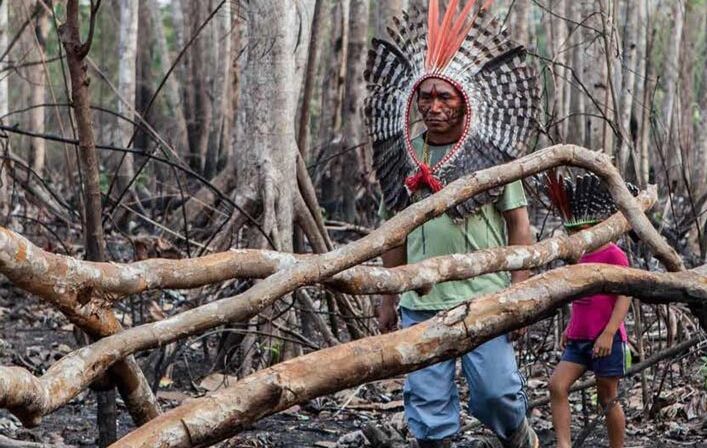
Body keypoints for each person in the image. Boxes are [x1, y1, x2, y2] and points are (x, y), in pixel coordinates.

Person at [364, 2, 540, 447]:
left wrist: (519, 291)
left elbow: (519, 226)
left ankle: (519, 436)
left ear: (464, 101)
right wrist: (389, 296)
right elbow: (395, 232)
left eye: (445, 96)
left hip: (484, 296)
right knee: (427, 405)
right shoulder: (404, 153)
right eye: (426, 97)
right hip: (420, 301)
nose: (434, 106)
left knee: (496, 393)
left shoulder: (493, 157)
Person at [545, 172, 633, 448]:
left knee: (608, 396)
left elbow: (625, 295)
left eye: (578, 232)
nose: (574, 237)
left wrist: (608, 333)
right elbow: (579, 299)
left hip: (608, 340)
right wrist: (571, 330)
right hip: (579, 340)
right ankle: (563, 444)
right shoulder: (577, 257)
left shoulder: (614, 255)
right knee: (556, 386)